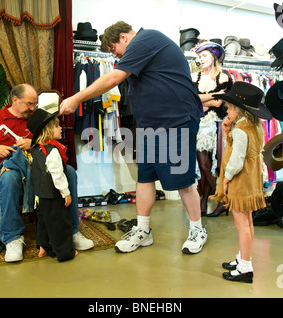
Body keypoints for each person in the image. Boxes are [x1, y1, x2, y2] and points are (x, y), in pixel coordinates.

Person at [60, 21, 207, 254]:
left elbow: (113, 79)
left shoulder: (145, 40)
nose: (114, 55)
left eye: (112, 49)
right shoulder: (143, 46)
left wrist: (77, 98)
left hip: (176, 120)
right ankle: (143, 230)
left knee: (182, 180)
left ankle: (197, 229)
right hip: (151, 125)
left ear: (123, 38)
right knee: (145, 178)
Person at [0, 84, 92, 263]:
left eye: (34, 104)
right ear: (15, 100)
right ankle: (12, 238)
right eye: (29, 104)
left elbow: (53, 140)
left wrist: (35, 142)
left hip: (39, 165)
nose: (32, 108)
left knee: (68, 171)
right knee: (8, 178)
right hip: (12, 167)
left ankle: (72, 230)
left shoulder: (37, 117)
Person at [210, 81, 272, 283]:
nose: (227, 109)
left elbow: (235, 161)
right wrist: (227, 131)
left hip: (239, 181)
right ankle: (243, 258)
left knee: (241, 225)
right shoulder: (253, 127)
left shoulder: (240, 130)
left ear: (237, 108)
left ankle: (245, 267)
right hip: (251, 181)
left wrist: (226, 179)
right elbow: (240, 151)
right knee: (248, 222)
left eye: (229, 107)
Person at [27, 108, 77, 261]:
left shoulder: (34, 150)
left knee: (43, 222)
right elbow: (57, 175)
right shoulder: (52, 151)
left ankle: (43, 248)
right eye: (56, 126)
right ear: (47, 131)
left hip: (40, 196)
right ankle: (66, 252)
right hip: (53, 195)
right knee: (59, 224)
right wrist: (66, 193)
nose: (60, 128)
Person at [191, 41, 233, 216]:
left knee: (212, 165)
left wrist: (203, 100)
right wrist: (207, 100)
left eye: (205, 55)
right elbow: (191, 99)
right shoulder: (194, 76)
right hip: (199, 124)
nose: (201, 59)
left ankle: (215, 200)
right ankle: (219, 198)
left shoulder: (223, 77)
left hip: (216, 126)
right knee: (204, 165)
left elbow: (219, 102)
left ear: (214, 57)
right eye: (199, 56)